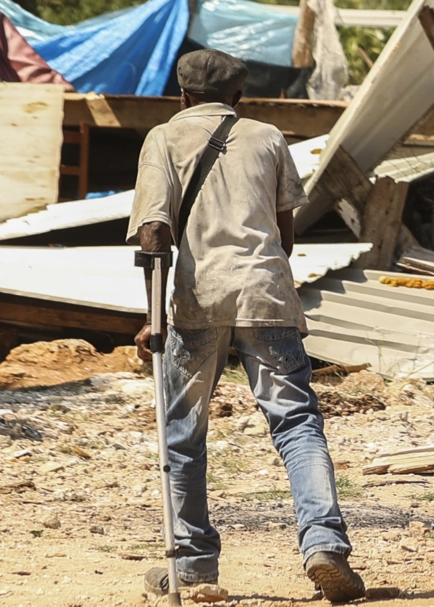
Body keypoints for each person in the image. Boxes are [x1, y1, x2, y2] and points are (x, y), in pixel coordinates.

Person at [127, 49, 365, 602]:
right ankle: (324, 545)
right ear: (239, 96)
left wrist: (152, 316)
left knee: (182, 433)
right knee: (298, 424)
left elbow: (154, 234)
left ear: (180, 95)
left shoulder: (163, 139)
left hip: (197, 300)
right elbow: (285, 234)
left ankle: (191, 567)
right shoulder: (267, 136)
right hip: (266, 293)